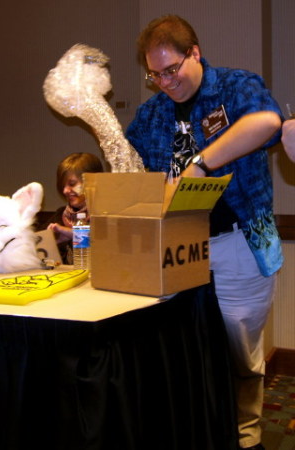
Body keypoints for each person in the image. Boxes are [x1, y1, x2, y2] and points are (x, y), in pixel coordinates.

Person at [125, 15, 283, 450]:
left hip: (237, 240)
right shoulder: (152, 111)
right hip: (176, 244)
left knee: (240, 349)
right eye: (154, 75)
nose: (164, 83)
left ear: (194, 52)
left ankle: (246, 436)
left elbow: (266, 123)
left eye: (171, 70)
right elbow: (128, 163)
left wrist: (198, 164)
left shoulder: (235, 87)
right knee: (173, 343)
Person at [40, 152, 103, 265]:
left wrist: (72, 233)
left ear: (91, 183)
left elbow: (107, 241)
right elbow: (35, 242)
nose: (65, 191)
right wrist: (52, 241)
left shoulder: (105, 214)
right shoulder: (59, 216)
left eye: (72, 184)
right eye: (63, 185)